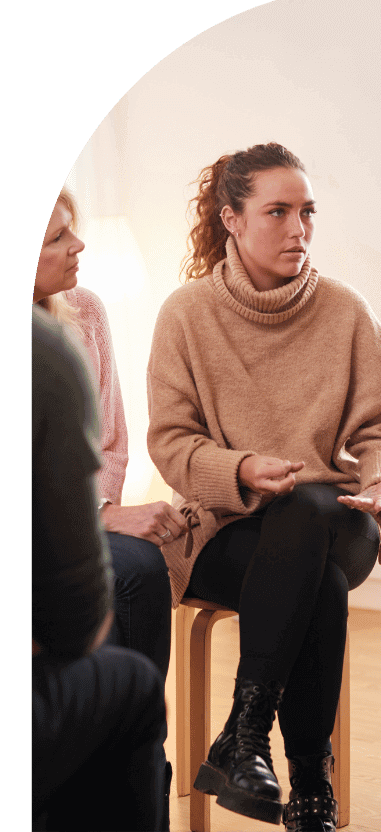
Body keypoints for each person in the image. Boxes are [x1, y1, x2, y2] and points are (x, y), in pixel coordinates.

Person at [146, 142, 381, 831]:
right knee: (317, 582)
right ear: (232, 219)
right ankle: (310, 789)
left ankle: (243, 736)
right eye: (278, 212)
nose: (299, 229)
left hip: (340, 515)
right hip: (229, 530)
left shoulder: (344, 310)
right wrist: (240, 470)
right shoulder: (186, 314)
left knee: (306, 511)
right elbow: (172, 442)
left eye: (307, 212)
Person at [34, 188, 181, 825]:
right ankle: (120, 766)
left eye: (74, 229)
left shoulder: (86, 312)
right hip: (60, 537)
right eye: (57, 238)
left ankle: (121, 762)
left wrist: (100, 508)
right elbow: (74, 616)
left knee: (141, 568)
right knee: (116, 640)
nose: (79, 245)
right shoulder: (47, 354)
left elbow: (113, 443)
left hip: (82, 512)